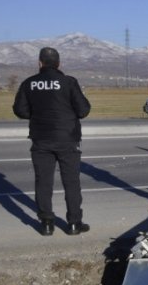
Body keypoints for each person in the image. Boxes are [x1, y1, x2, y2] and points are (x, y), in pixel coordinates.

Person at [12, 47, 91, 236]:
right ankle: (74, 224)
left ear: (40, 63)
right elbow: (83, 110)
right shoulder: (68, 82)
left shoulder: (29, 83)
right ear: (58, 64)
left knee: (43, 182)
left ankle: (46, 223)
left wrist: (39, 114)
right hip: (67, 138)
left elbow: (20, 110)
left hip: (41, 139)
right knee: (71, 182)